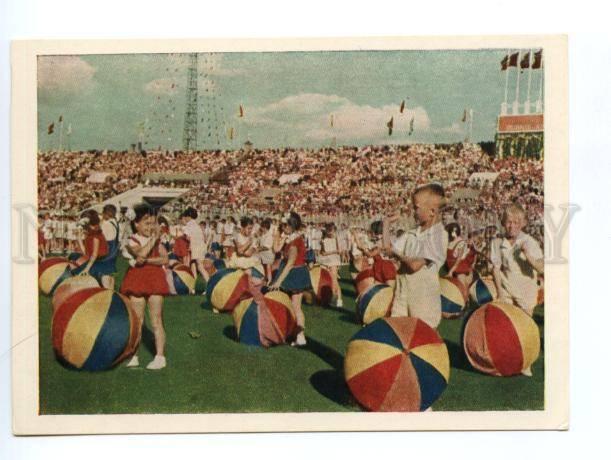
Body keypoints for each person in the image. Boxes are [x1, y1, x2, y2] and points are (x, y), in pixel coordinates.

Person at [384, 183, 448, 329]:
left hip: (423, 299)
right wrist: (386, 224)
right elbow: (387, 249)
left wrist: (397, 255)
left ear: (432, 211)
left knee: (423, 337)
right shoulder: (411, 233)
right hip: (403, 293)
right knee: (397, 332)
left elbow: (415, 266)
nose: (413, 211)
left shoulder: (439, 236)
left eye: (416, 207)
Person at [120, 205, 170, 370]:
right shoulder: (130, 240)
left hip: (155, 279)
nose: (150, 227)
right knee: (138, 320)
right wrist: (153, 240)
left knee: (156, 320)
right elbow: (140, 253)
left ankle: (160, 356)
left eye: (153, 223)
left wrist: (146, 260)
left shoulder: (158, 241)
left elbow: (164, 260)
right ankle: (134, 355)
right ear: (136, 224)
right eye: (146, 223)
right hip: (136, 280)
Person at [491, 203, 544, 317]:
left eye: (516, 222)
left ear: (523, 224)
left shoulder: (530, 242)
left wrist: (527, 255)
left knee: (524, 329)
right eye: (509, 222)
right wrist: (500, 292)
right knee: (505, 323)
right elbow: (496, 269)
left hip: (525, 291)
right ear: (503, 223)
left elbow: (540, 268)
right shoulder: (497, 242)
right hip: (507, 289)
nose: (512, 226)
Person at [269, 212, 310, 346]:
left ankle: (300, 336)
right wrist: (276, 233)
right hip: (291, 272)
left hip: (295, 273)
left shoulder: (294, 242)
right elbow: (276, 249)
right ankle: (295, 334)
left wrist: (278, 281)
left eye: (285, 225)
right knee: (292, 305)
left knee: (296, 306)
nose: (283, 226)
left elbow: (290, 263)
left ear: (291, 225)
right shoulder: (289, 238)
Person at [74, 210, 109, 282]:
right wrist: (79, 238)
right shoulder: (90, 235)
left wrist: (86, 269)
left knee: (76, 274)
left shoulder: (95, 235)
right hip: (94, 261)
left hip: (99, 263)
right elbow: (86, 253)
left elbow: (94, 254)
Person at [318, 223, 343, 308]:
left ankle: (338, 300)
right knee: (328, 280)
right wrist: (332, 251)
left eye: (331, 231)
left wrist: (332, 252)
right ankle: (329, 299)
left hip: (333, 261)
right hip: (326, 261)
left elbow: (339, 251)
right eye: (329, 231)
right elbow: (322, 252)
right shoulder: (324, 240)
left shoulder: (337, 239)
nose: (330, 233)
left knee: (334, 281)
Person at [445, 222, 476, 289]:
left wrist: (451, 271)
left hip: (460, 269)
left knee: (462, 287)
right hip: (451, 269)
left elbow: (458, 259)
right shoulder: (450, 242)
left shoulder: (461, 243)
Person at [181, 207, 207, 286]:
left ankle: (209, 283)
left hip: (196, 246)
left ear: (189, 216)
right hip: (199, 246)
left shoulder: (189, 225)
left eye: (185, 216)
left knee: (200, 267)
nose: (184, 218)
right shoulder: (195, 224)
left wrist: (183, 235)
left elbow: (188, 237)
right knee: (193, 264)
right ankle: (194, 284)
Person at [97, 204, 120, 290]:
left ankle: (107, 292)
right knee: (111, 273)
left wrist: (102, 220)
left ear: (106, 213)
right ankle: (112, 291)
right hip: (114, 250)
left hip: (106, 249)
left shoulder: (105, 224)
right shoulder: (115, 222)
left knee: (104, 273)